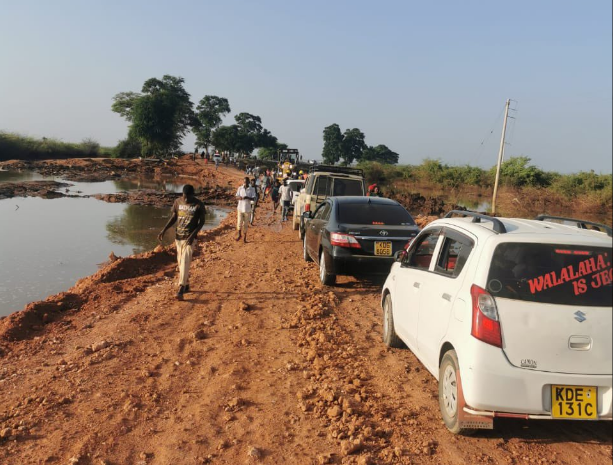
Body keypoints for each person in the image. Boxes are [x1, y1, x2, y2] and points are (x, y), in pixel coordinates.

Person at [158, 185, 206, 300]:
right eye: (184, 197)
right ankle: (187, 284)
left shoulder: (199, 205)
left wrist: (192, 235)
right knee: (180, 263)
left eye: (188, 198)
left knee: (184, 262)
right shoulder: (178, 202)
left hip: (190, 239)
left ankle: (180, 288)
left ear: (192, 195)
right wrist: (164, 230)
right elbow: (174, 217)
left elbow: (201, 222)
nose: (186, 200)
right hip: (178, 237)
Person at [235, 177, 256, 243]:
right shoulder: (240, 188)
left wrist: (247, 197)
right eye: (244, 181)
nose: (245, 183)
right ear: (243, 182)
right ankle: (239, 235)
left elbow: (253, 198)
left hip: (247, 209)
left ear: (249, 182)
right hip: (240, 208)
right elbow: (236, 196)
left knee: (245, 224)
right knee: (239, 222)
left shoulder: (252, 189)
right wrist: (239, 198)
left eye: (246, 182)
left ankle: (245, 238)